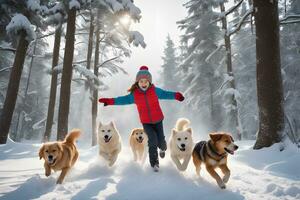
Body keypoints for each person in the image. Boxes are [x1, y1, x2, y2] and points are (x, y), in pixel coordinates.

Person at [99, 66, 184, 172]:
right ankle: (154, 164)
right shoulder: (134, 95)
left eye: (146, 81)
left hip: (158, 120)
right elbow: (122, 100)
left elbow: (166, 94)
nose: (143, 83)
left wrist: (176, 95)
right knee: (152, 140)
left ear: (149, 82)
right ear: (137, 82)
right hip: (146, 122)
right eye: (141, 81)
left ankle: (162, 148)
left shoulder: (155, 91)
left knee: (161, 141)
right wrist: (109, 101)